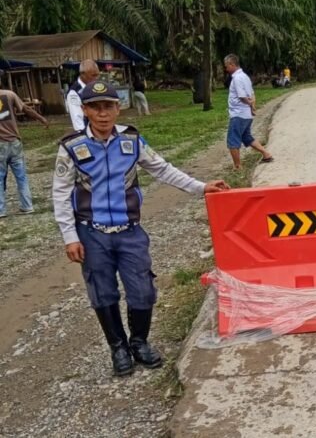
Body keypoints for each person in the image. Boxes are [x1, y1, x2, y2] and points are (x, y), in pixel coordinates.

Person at [52, 82, 230, 376]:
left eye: (108, 106)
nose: (103, 114)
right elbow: (60, 193)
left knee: (143, 290)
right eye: (95, 107)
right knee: (103, 292)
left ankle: (139, 342)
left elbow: (162, 168)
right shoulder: (72, 147)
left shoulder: (131, 141)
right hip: (92, 233)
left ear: (117, 107)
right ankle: (118, 348)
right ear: (85, 111)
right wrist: (70, 237)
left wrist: (201, 187)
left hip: (130, 231)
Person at [0, 81, 49, 218]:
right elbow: (26, 109)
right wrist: (41, 119)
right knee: (21, 177)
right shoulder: (9, 94)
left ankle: (1, 210)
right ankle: (27, 206)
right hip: (14, 141)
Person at [223, 54, 274, 169]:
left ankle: (237, 167)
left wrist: (250, 104)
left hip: (238, 115)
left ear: (232, 64)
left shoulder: (237, 78)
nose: (226, 69)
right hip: (246, 115)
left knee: (232, 140)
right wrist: (252, 107)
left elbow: (242, 97)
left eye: (226, 66)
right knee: (246, 137)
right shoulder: (245, 77)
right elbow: (252, 94)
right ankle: (266, 154)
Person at [66, 59, 100, 131]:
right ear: (83, 74)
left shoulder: (95, 86)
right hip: (88, 133)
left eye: (97, 75)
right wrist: (84, 136)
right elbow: (77, 119)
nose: (96, 78)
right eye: (93, 75)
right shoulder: (74, 93)